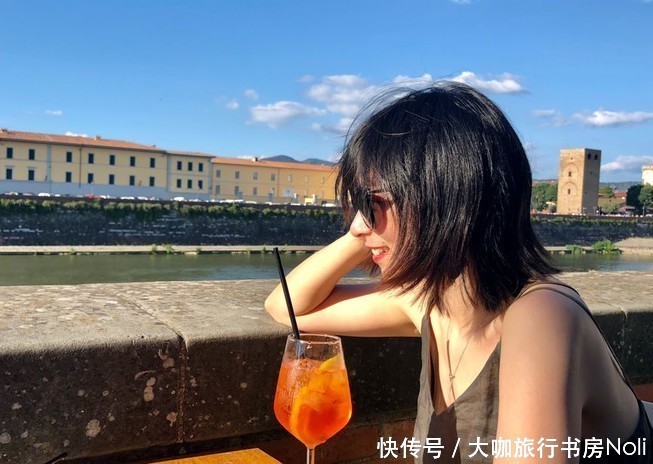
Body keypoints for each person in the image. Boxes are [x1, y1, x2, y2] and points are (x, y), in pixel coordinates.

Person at [264, 81, 651, 463]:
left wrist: (391, 229)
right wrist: (369, 229)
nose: (357, 224)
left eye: (372, 202)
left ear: (445, 199)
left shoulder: (541, 316)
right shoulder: (429, 301)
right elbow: (288, 306)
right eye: (356, 203)